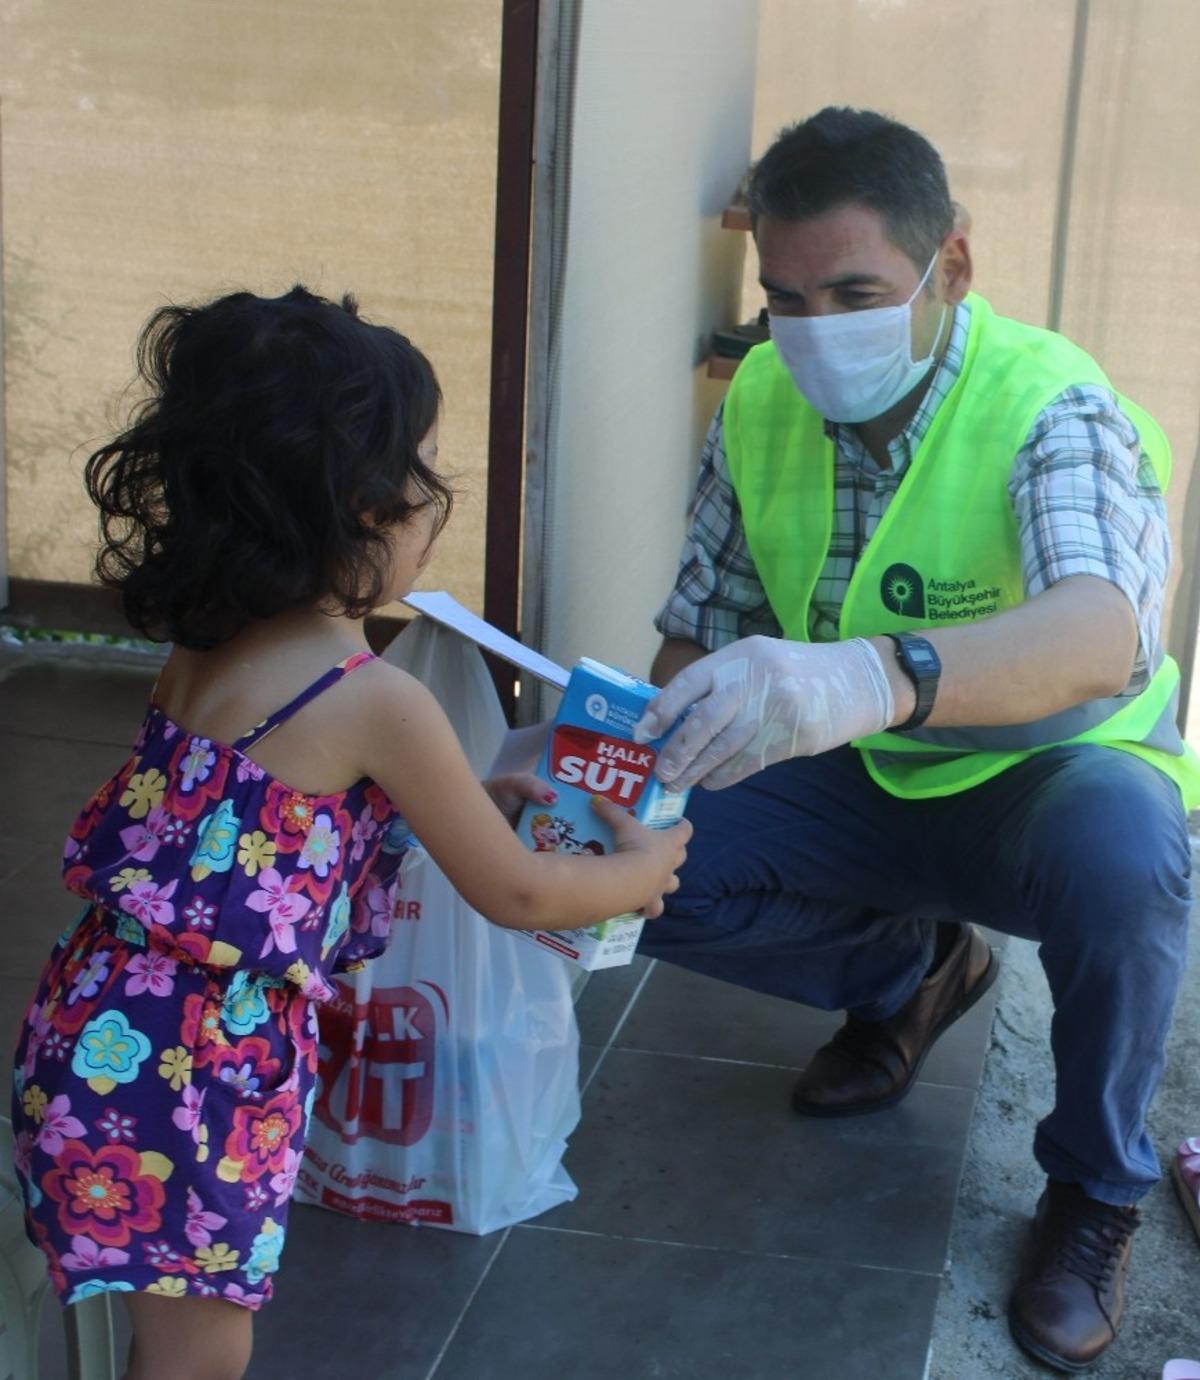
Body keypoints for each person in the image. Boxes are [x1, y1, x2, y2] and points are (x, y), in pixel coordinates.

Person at [10, 286, 690, 1380]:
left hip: (96, 1025)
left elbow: (259, 824)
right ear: (369, 505)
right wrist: (639, 870)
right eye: (426, 469)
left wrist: (473, 787)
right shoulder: (372, 696)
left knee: (163, 1326)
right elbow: (518, 892)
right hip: (200, 1067)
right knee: (201, 1354)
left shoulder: (207, 641)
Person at [634, 107, 1197, 1374]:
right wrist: (647, 745)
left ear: (952, 264)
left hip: (1046, 785)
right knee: (630, 854)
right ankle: (911, 975)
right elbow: (697, 636)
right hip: (856, 783)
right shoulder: (763, 397)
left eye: (854, 293)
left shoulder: (1050, 403)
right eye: (787, 299)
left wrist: (876, 675)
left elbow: (1102, 630)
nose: (816, 331)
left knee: (1127, 856)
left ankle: (1093, 1192)